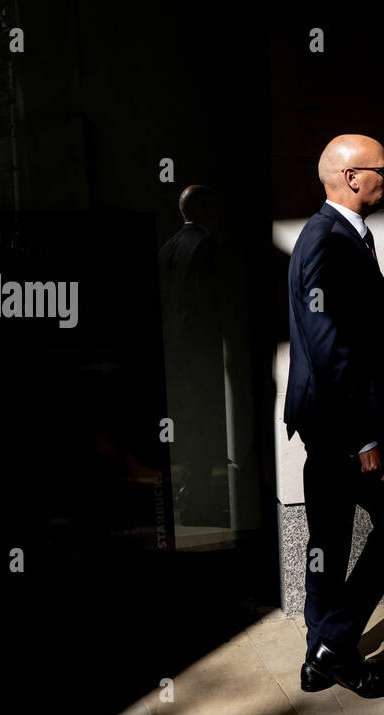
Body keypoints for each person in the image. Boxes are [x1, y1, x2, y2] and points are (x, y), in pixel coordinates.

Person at [285, 134, 384, 699]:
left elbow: (354, 332)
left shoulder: (344, 236)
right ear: (353, 177)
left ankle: (318, 659)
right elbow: (328, 345)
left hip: (335, 423)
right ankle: (335, 645)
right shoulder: (325, 239)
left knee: (328, 541)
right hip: (345, 426)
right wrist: (364, 435)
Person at [158, 185, 227, 526]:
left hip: (175, 350)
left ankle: (188, 491)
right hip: (200, 350)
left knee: (188, 424)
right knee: (205, 425)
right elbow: (207, 303)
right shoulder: (204, 245)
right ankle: (199, 499)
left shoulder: (168, 246)